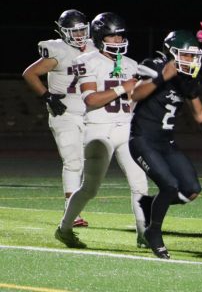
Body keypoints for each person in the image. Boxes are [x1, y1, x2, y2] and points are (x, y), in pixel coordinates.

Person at [129, 30, 202, 259]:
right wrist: (162, 76)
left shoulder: (188, 79)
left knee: (192, 190)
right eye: (186, 56)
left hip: (166, 142)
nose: (191, 61)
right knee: (170, 186)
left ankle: (148, 204)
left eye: (193, 56)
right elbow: (135, 94)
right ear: (171, 54)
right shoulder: (153, 65)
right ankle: (153, 232)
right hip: (142, 139)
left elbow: (199, 112)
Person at [54, 12, 148, 249]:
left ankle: (145, 234)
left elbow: (134, 100)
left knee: (140, 183)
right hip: (99, 130)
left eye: (119, 36)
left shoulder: (131, 64)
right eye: (112, 36)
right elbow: (91, 100)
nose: (117, 41)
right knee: (90, 188)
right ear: (99, 37)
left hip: (126, 128)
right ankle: (64, 228)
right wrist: (122, 89)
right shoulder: (87, 60)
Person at [22, 9, 95, 227]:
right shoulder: (59, 50)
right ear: (63, 32)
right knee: (72, 162)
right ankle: (71, 214)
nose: (79, 35)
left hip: (89, 114)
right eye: (74, 31)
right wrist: (47, 96)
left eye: (82, 29)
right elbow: (29, 73)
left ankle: (73, 211)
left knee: (86, 163)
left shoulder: (94, 47)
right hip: (64, 113)